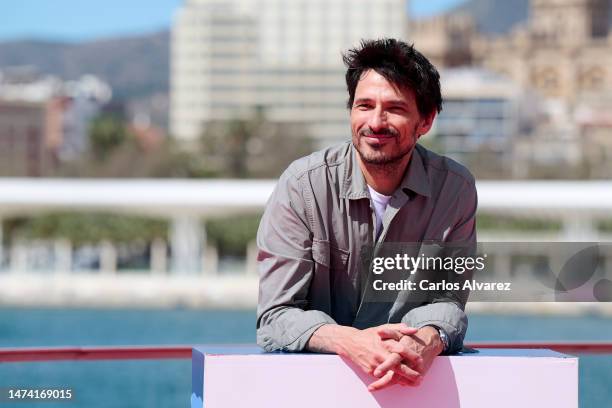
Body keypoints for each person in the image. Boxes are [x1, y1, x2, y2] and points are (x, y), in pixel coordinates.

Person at [256, 38, 477, 391]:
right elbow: (275, 316)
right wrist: (348, 341)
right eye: (364, 105)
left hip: (408, 389)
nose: (376, 121)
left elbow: (447, 302)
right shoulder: (302, 185)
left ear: (426, 120)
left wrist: (424, 341)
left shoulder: (455, 189)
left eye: (394, 108)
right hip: (311, 389)